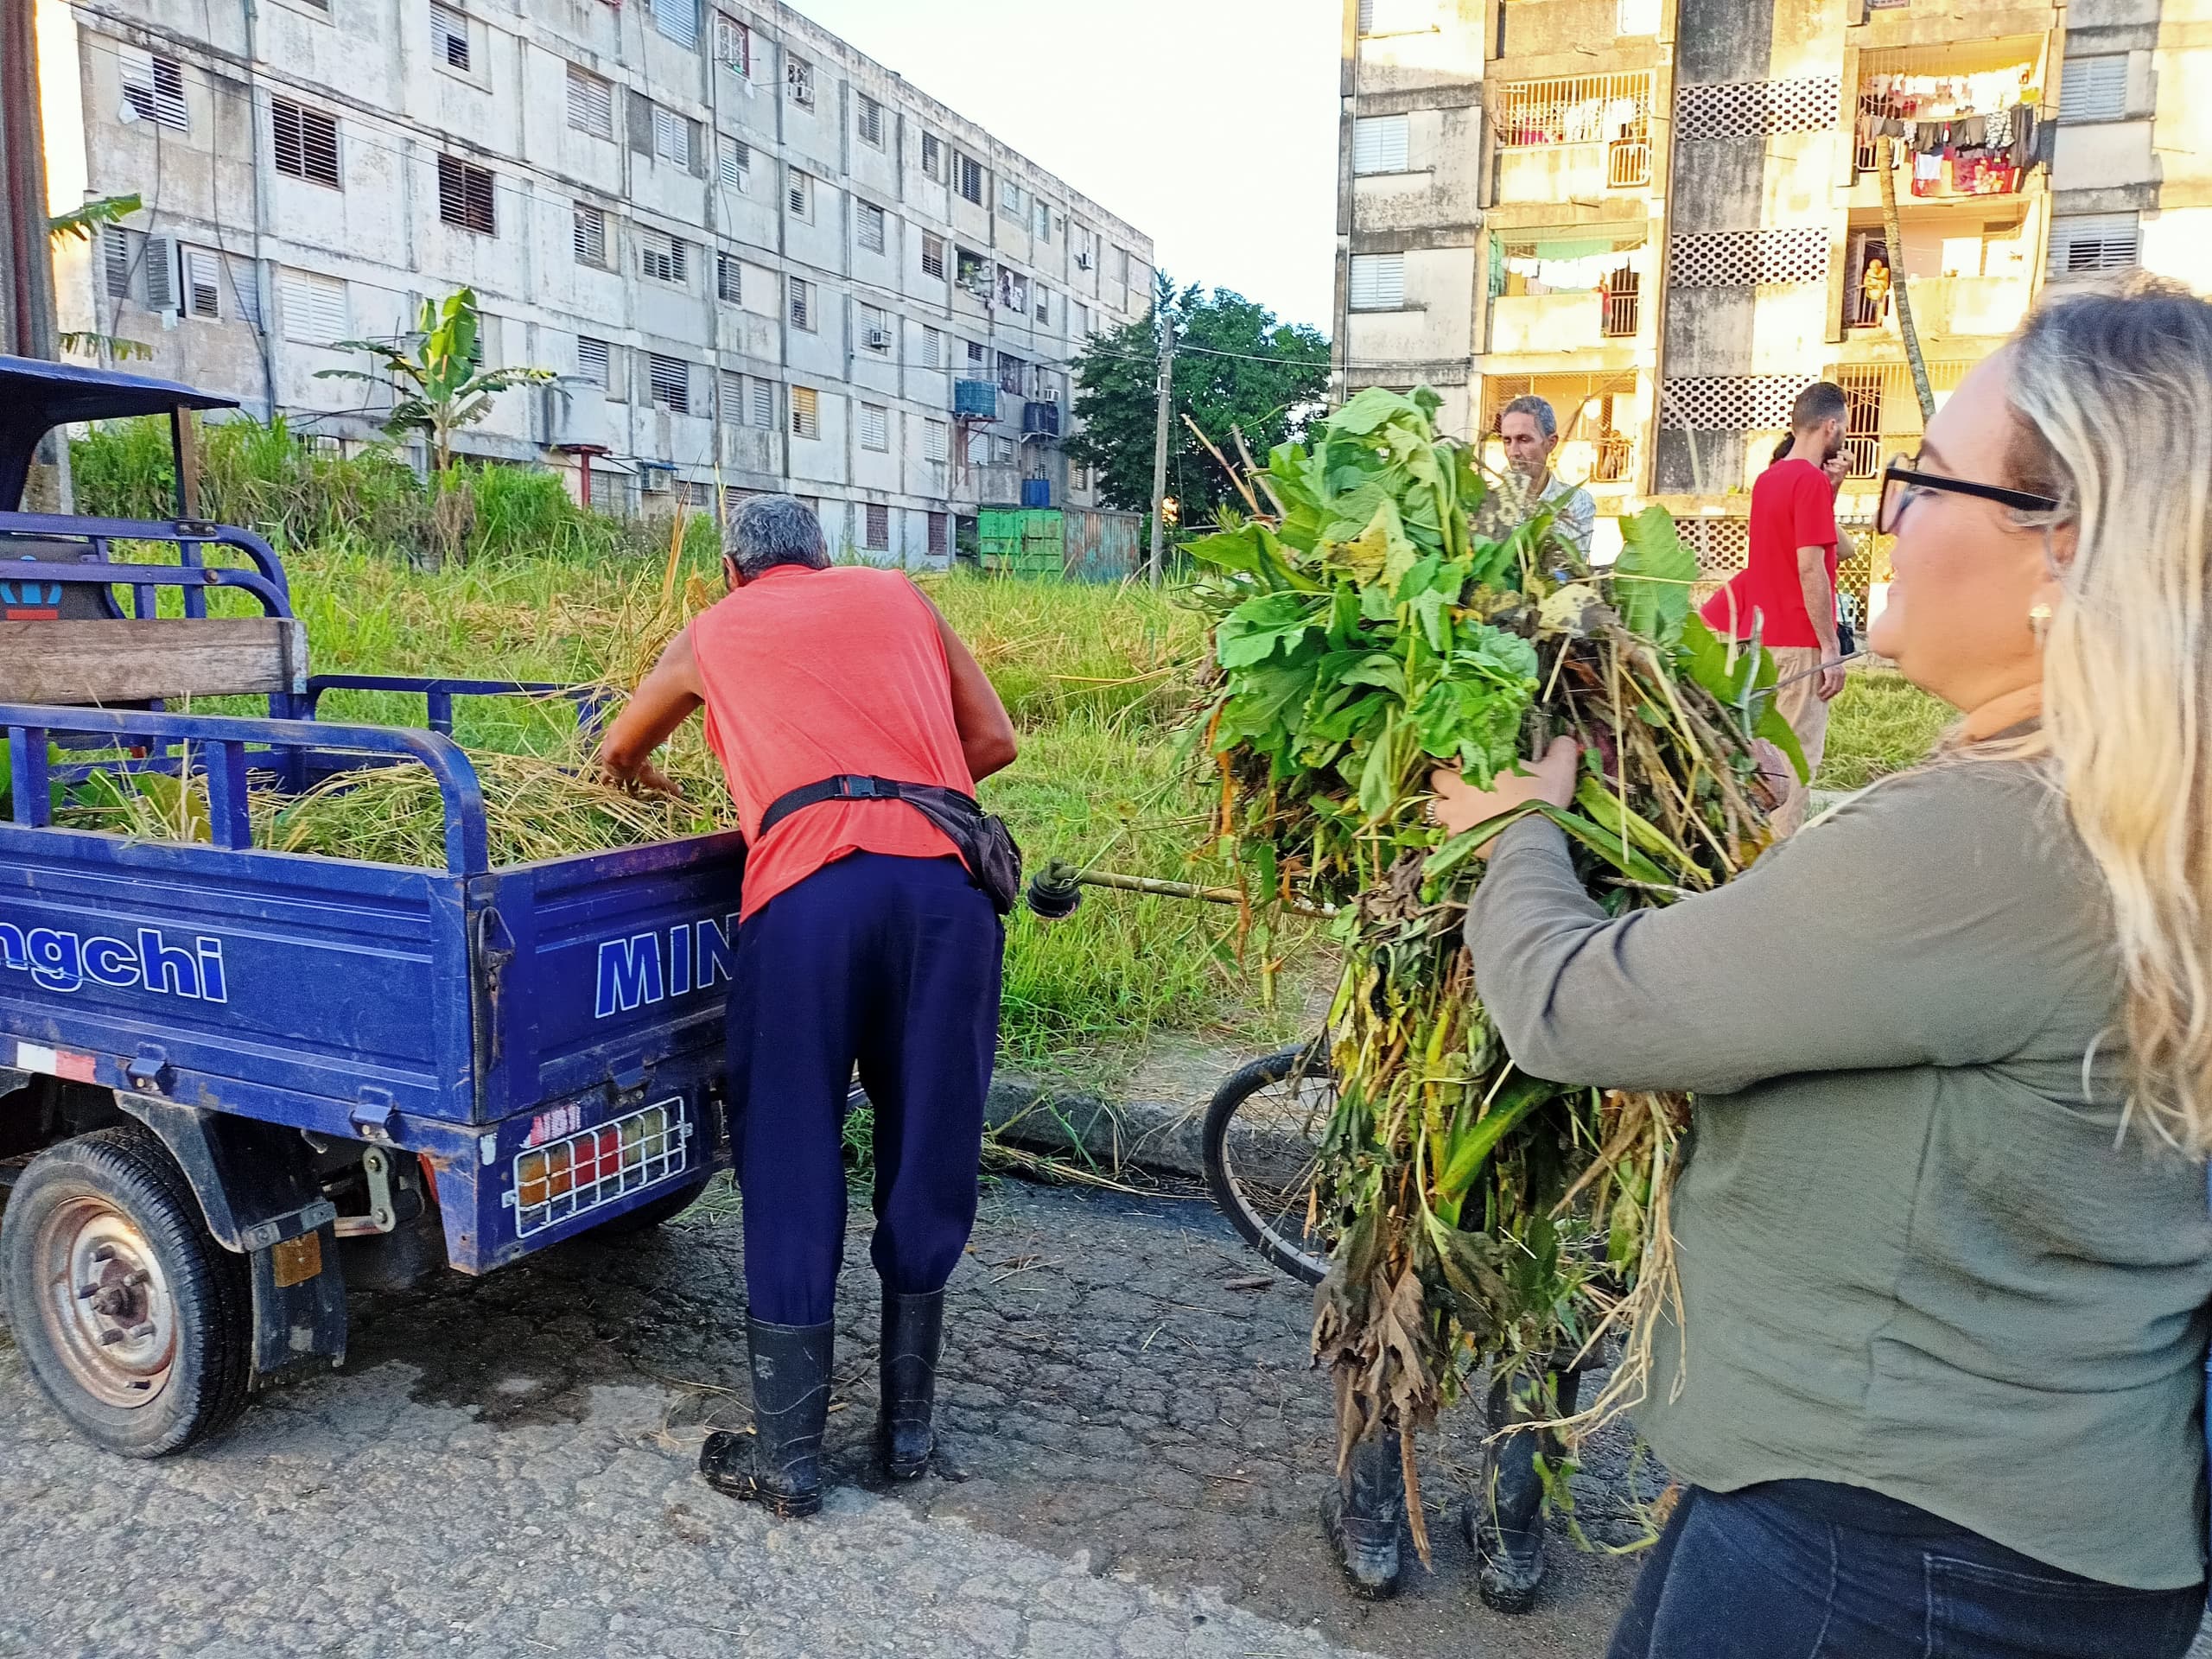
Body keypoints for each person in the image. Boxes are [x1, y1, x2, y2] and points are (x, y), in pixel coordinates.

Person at [1431, 280, 2212, 1655]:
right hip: (2046, 1535)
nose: (1886, 516)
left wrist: (1518, 833)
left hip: (1889, 1554)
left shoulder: (1995, 839)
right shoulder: (2146, 811)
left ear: (2062, 544)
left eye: (1923, 480)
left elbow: (1574, 1008)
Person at [595, 494, 1018, 1517]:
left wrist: (712, 791)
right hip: (944, 895)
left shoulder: (713, 628)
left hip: (807, 899)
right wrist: (894, 783)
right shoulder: (898, 594)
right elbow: (994, 742)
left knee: (791, 1147)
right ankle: (907, 1434)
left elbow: (613, 755)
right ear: (826, 560)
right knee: (931, 1143)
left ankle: (788, 1458)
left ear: (735, 571)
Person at [1701, 383, 1848, 836]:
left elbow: (1836, 552)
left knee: (1763, 759)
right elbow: (1811, 568)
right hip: (1799, 642)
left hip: (1761, 642)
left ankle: (1745, 854)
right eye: (1843, 427)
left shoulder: (1771, 481)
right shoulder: (1807, 482)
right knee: (1794, 764)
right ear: (1831, 426)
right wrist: (1829, 646)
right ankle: (1773, 867)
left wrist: (1832, 491)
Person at [1494, 395, 1596, 559]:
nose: (1514, 452)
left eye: (1524, 439)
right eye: (1507, 441)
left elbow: (1569, 568)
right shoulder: (1492, 505)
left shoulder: (1576, 502)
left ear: (1551, 443)